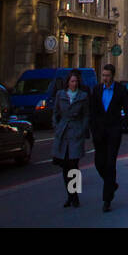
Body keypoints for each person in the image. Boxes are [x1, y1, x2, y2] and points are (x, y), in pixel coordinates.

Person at [89, 63, 128, 212]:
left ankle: (107, 199)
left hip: (114, 132)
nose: (105, 78)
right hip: (99, 133)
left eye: (107, 76)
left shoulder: (121, 90)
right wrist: (93, 128)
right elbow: (93, 111)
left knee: (110, 163)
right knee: (98, 163)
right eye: (103, 75)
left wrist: (123, 124)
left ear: (112, 76)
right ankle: (112, 184)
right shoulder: (96, 90)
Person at [51, 69, 89, 208]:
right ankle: (69, 195)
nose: (74, 84)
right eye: (72, 81)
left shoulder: (83, 96)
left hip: (76, 132)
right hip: (63, 133)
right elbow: (55, 112)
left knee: (74, 166)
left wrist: (82, 129)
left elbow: (86, 115)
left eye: (76, 81)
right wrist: (56, 125)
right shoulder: (60, 95)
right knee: (65, 166)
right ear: (68, 82)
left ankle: (75, 196)